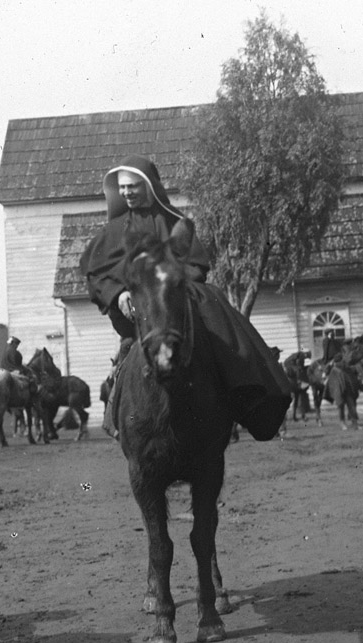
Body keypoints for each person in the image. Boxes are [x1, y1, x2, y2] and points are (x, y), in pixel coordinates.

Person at [79, 155, 291, 441]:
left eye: (133, 186)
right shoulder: (113, 230)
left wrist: (171, 284)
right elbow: (97, 274)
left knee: (213, 303)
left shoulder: (174, 221)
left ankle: (245, 388)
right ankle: (118, 413)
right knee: (127, 357)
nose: (127, 192)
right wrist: (118, 294)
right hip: (137, 316)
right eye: (123, 188)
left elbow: (197, 265)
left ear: (149, 185)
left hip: (175, 308)